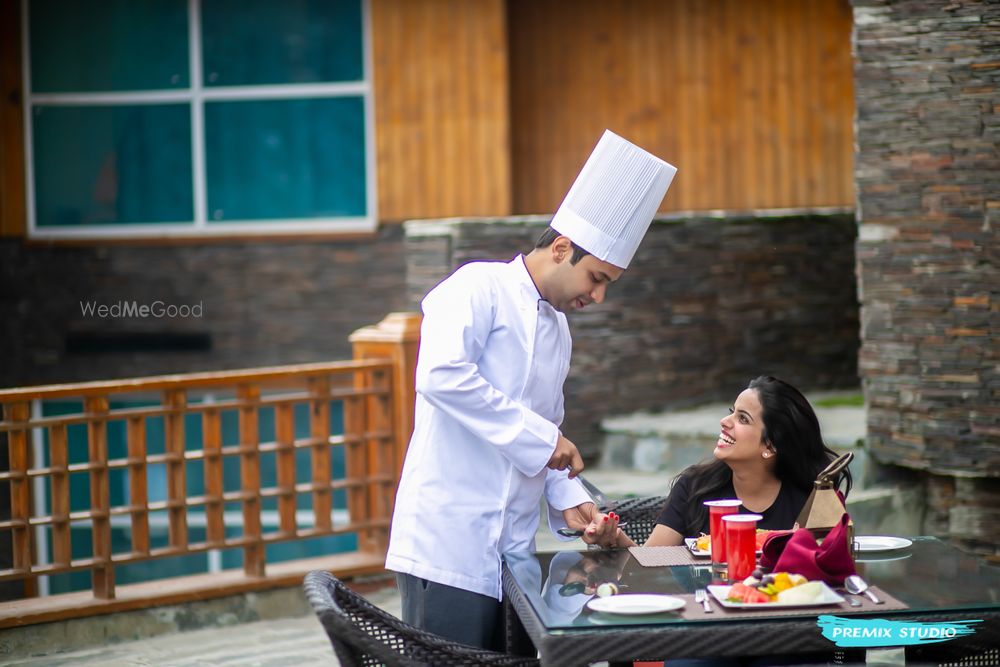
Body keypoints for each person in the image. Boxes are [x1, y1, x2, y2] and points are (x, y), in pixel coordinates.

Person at [385, 130, 677, 650]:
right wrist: (545, 443)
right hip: (447, 542)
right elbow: (440, 375)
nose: (600, 295)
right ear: (561, 247)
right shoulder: (477, 286)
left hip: (513, 549)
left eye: (609, 282)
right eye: (596, 277)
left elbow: (547, 429)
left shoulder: (559, 329)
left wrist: (570, 498)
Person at [597, 375, 852, 548]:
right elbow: (650, 563)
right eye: (732, 412)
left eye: (742, 419)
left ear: (770, 445)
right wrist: (615, 538)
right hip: (703, 614)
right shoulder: (695, 486)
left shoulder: (807, 498)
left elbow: (831, 567)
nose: (724, 422)